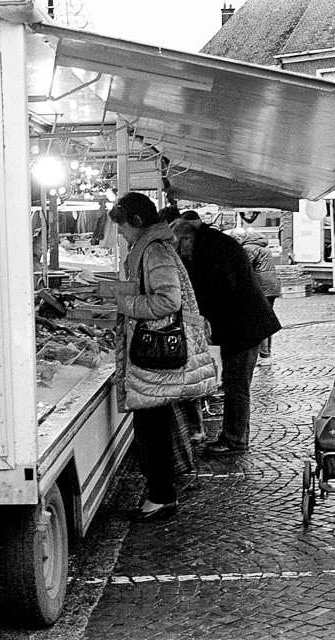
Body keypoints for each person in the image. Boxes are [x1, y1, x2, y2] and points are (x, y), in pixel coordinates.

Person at [109, 193, 217, 521]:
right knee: (154, 424)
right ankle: (161, 493)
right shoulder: (155, 247)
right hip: (155, 356)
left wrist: (124, 305)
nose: (121, 234)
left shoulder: (154, 251)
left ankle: (161, 496)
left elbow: (168, 301)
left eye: (123, 227)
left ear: (138, 222)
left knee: (151, 426)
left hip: (154, 353)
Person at [170, 217, 282, 456]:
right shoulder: (212, 243)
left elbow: (221, 289)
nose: (181, 254)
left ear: (188, 238)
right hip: (242, 326)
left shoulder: (214, 248)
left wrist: (199, 312)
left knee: (236, 386)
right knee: (235, 385)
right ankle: (235, 436)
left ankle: (235, 440)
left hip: (244, 328)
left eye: (179, 247)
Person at [228, 227, 282, 365]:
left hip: (261, 287)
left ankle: (264, 355)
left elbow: (243, 268)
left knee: (259, 320)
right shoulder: (261, 244)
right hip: (271, 287)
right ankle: (267, 352)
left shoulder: (248, 248)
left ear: (239, 238)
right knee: (266, 318)